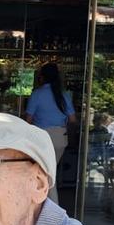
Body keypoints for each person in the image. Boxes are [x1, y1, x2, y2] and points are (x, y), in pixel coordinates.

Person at [23, 63, 75, 202]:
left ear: (42, 77)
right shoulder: (64, 95)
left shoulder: (38, 94)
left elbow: (28, 120)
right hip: (60, 138)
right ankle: (49, 206)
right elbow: (73, 119)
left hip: (42, 138)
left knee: (43, 172)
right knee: (49, 172)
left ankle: (48, 207)